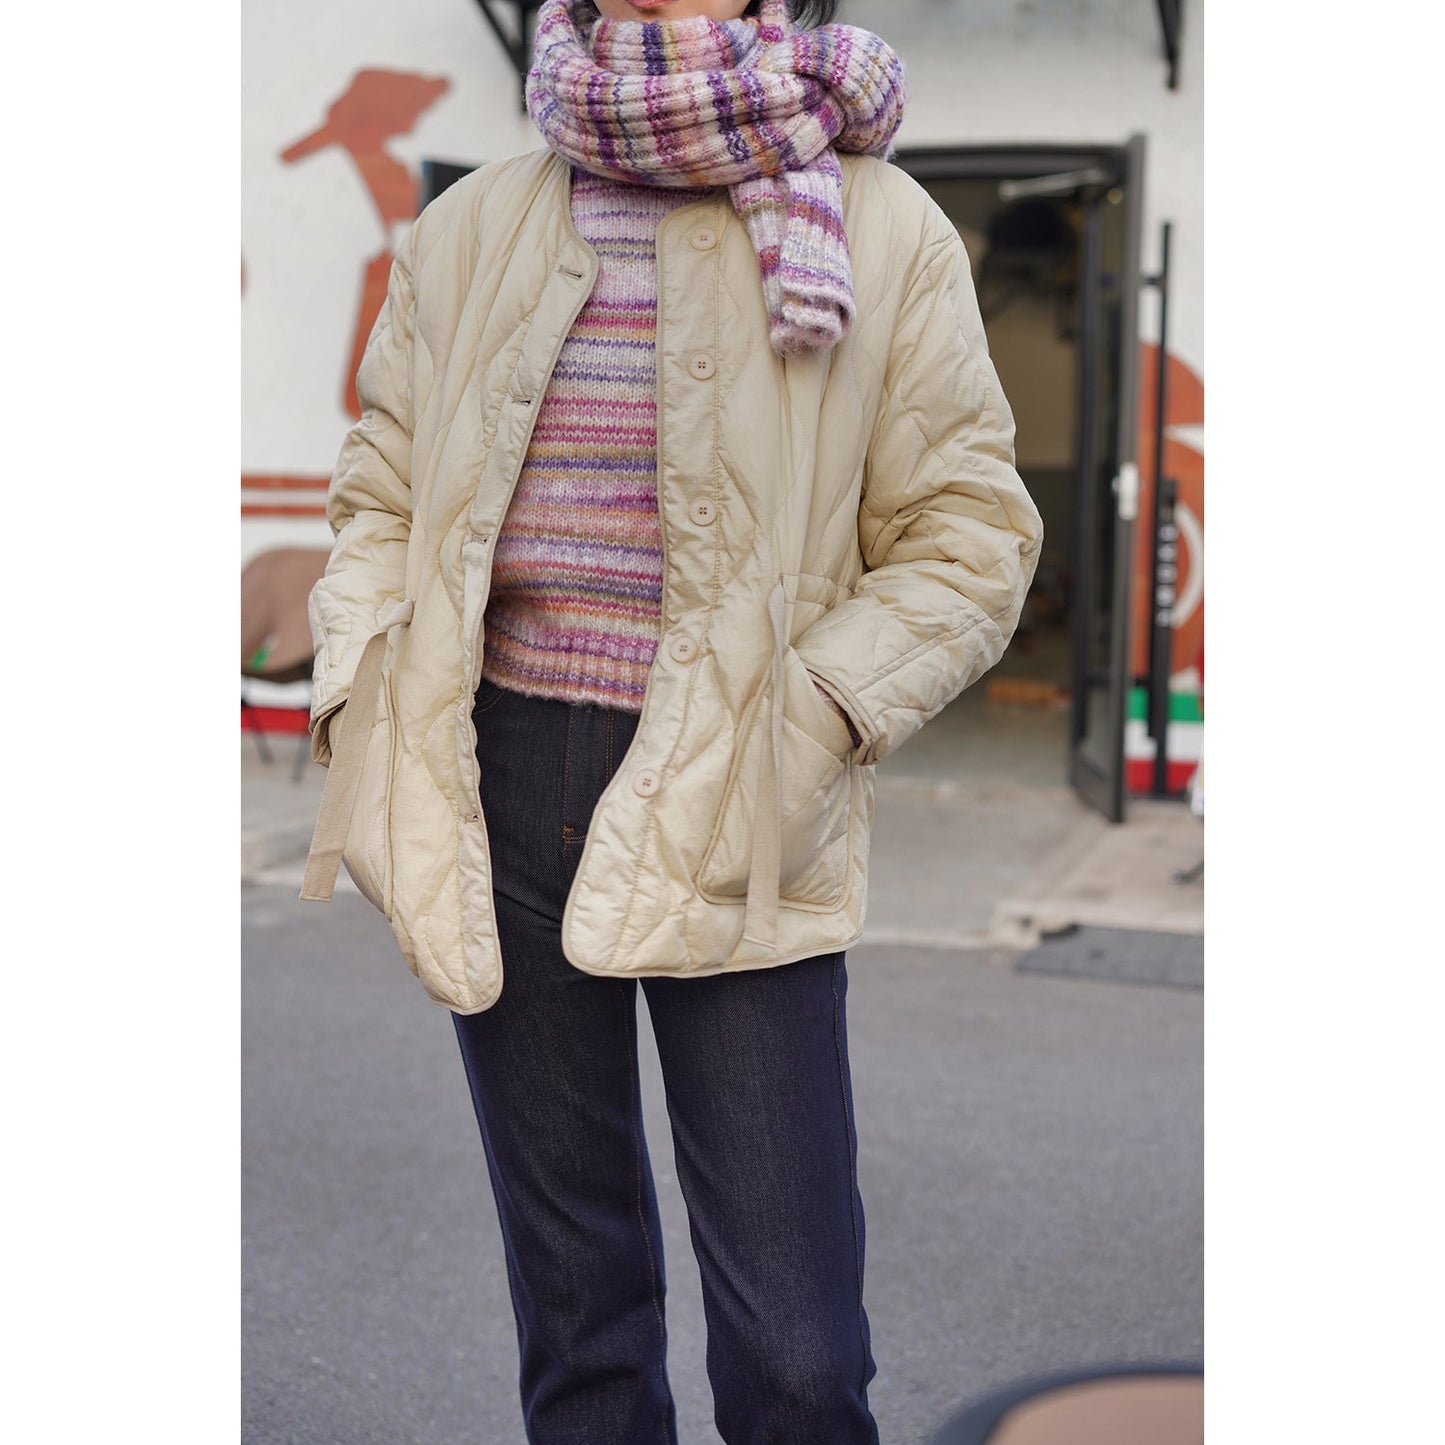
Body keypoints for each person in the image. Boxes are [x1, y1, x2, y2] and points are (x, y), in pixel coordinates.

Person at [301, 1, 1044, 1440]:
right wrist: (364, 688)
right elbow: (378, 500)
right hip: (497, 772)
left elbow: (966, 535)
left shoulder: (881, 226)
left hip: (741, 785)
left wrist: (817, 710)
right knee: (577, 1316)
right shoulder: (470, 229)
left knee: (797, 1350)